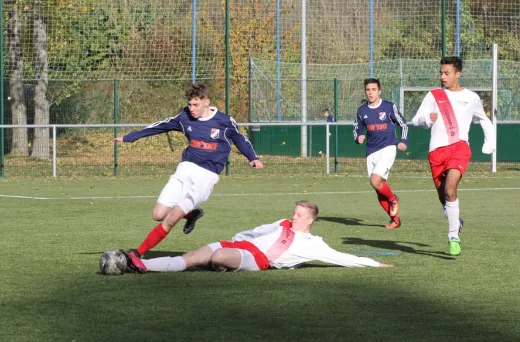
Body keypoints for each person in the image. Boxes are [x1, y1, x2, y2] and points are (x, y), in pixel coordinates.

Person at [113, 83, 264, 262]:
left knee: (170, 219)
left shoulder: (224, 121)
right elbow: (161, 126)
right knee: (159, 215)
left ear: (207, 102)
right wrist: (131, 137)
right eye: (190, 104)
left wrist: (252, 157)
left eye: (196, 105)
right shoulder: (184, 117)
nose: (191, 109)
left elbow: (240, 139)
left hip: (205, 177)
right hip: (184, 170)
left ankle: (137, 255)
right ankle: (192, 214)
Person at [106, 200, 392, 275]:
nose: (293, 217)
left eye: (299, 215)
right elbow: (256, 231)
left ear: (311, 220)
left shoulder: (312, 244)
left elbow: (341, 258)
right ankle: (139, 265)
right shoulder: (282, 224)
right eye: (294, 213)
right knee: (191, 256)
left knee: (217, 257)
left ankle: (219, 264)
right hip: (241, 246)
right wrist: (238, 237)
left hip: (257, 259)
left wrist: (374, 264)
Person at [411, 56, 496, 256]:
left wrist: (490, 142)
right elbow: (416, 120)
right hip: (436, 152)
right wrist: (427, 119)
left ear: (458, 73)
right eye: (441, 73)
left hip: (459, 148)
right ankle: (456, 220)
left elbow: (484, 120)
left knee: (450, 190)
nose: (442, 77)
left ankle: (453, 237)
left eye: (447, 73)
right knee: (443, 196)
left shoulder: (472, 97)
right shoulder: (434, 95)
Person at [353, 78, 408, 229]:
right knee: (378, 188)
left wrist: (404, 140)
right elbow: (357, 128)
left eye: (373, 89)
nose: (370, 93)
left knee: (375, 181)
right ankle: (395, 220)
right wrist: (358, 137)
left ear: (379, 91)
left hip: (388, 148)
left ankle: (393, 198)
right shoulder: (362, 110)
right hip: (371, 151)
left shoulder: (389, 107)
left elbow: (403, 123)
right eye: (368, 90)